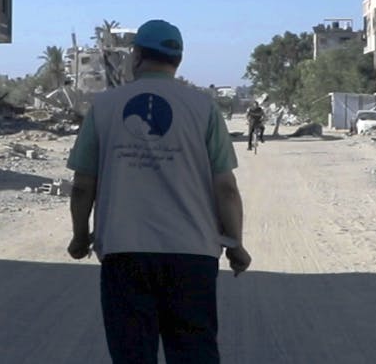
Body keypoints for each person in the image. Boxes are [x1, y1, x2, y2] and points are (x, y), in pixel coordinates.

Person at [67, 19, 251, 364]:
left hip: (125, 254)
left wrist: (80, 237)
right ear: (178, 60)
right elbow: (226, 188)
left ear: (135, 56)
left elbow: (82, 186)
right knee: (195, 353)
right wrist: (236, 244)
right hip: (193, 255)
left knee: (132, 354)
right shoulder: (203, 108)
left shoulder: (104, 107)